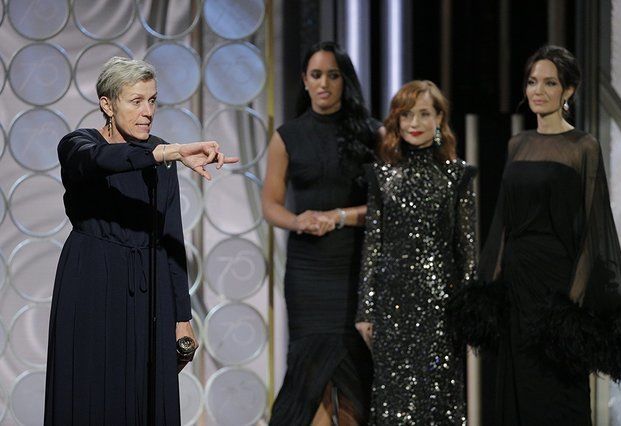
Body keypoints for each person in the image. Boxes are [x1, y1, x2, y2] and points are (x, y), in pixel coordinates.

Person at [449, 45, 621, 425]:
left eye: (550, 83)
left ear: (568, 90)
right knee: (517, 390)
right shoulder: (517, 144)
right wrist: (489, 287)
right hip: (516, 287)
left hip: (556, 284)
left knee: (560, 394)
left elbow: (593, 229)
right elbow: (503, 221)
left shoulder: (583, 146)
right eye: (533, 81)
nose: (538, 90)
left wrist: (569, 306)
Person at [44, 57, 238, 425]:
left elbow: (171, 237)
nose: (147, 112)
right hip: (91, 281)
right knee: (91, 392)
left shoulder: (161, 154)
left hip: (149, 287)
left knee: (146, 396)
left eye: (152, 100)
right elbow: (101, 160)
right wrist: (168, 152)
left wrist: (182, 318)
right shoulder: (78, 145)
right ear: (107, 104)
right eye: (136, 101)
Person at [262, 41, 381, 425]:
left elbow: (388, 208)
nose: (324, 83)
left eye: (333, 75)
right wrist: (298, 221)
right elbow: (271, 205)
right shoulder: (287, 136)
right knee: (311, 375)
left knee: (355, 377)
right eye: (316, 75)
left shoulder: (373, 134)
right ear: (304, 80)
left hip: (356, 269)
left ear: (345, 81)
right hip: (307, 273)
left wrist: (340, 216)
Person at [355, 80, 476, 424]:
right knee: (393, 402)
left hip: (442, 306)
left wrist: (468, 311)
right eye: (407, 115)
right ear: (397, 120)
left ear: (439, 118)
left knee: (439, 399)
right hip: (391, 305)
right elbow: (373, 244)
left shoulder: (457, 176)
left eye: (424, 114)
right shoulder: (383, 177)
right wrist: (365, 309)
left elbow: (467, 249)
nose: (415, 123)